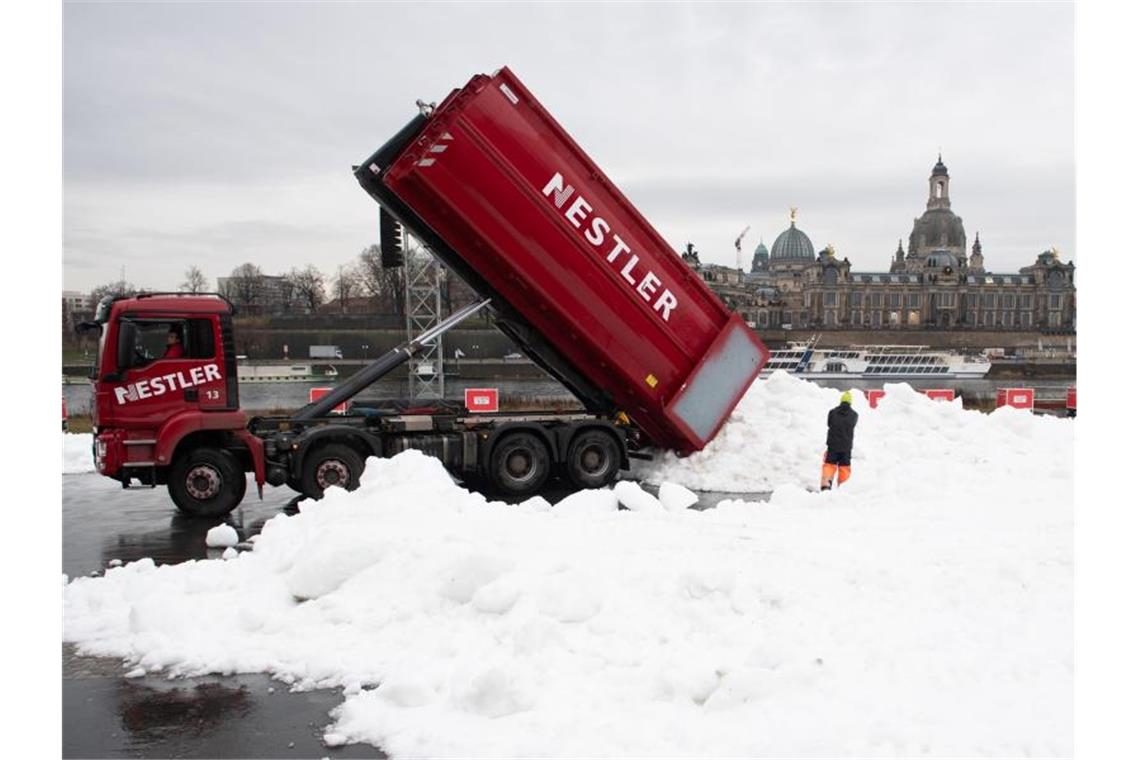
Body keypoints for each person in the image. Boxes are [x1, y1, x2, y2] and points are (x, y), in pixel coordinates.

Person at [821, 390, 858, 490]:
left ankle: (826, 485)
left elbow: (829, 423)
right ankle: (843, 488)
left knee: (829, 465)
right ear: (850, 402)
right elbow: (853, 425)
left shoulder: (832, 412)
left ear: (841, 401)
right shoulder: (854, 415)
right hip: (846, 447)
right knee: (844, 468)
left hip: (832, 445)